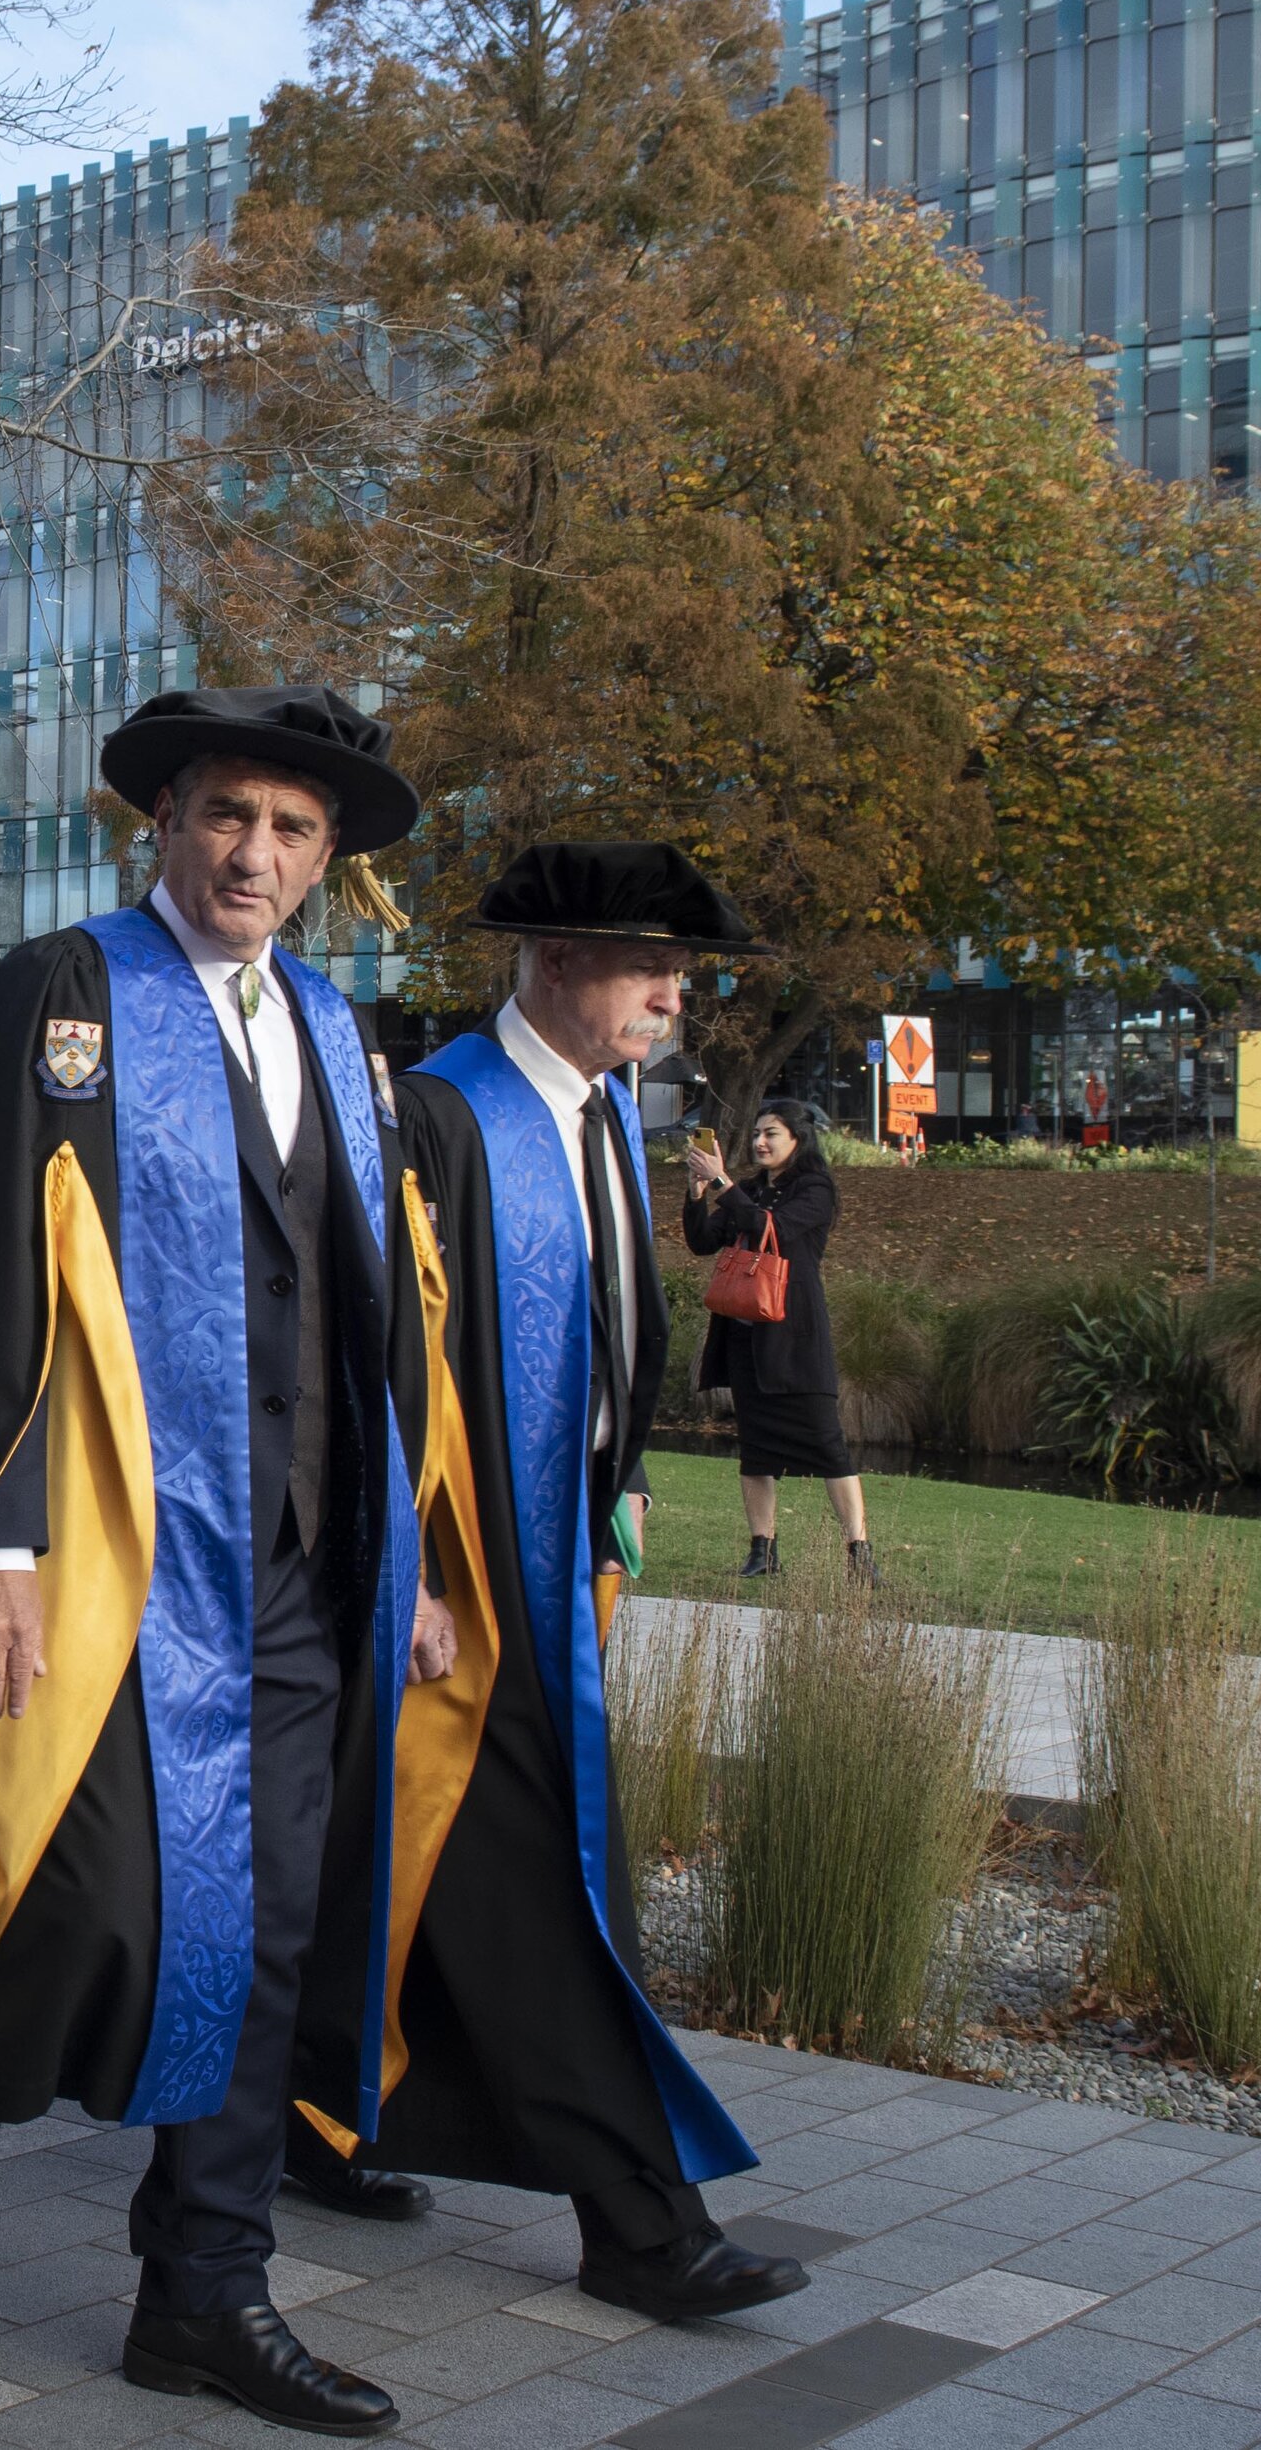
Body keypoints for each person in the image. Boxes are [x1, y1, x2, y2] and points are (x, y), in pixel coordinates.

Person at [0, 687, 436, 2437]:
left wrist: (407, 1559)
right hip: (107, 1559)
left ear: (328, 861)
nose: (253, 855)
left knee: (260, 1936)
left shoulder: (330, 1023)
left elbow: (370, 1316)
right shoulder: (65, 997)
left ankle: (203, 2293)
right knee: (74, 1902)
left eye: (290, 831)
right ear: (156, 823)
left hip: (301, 1566)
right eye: (224, 816)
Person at [381, 842, 804, 2323]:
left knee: (402, 1867)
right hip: (459, 1577)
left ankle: (324, 2119)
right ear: (553, 962)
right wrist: (408, 1565)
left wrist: (620, 1473)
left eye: (678, 974)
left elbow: (605, 1321)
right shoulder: (438, 1110)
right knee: (545, 1882)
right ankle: (643, 2222)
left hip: (559, 1554)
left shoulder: (606, 1109)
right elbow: (376, 1367)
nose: (671, 996)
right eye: (647, 968)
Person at [682, 1098, 871, 1582]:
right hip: (746, 1337)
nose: (761, 1143)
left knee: (829, 1447)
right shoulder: (749, 1189)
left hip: (795, 1336)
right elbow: (704, 1241)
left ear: (797, 1140)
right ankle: (762, 1550)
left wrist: (723, 1185)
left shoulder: (815, 1189)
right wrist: (698, 1190)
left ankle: (859, 1551)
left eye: (772, 1134)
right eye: (757, 1134)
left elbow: (774, 1230)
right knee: (755, 1449)